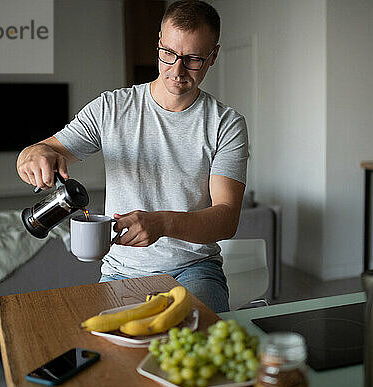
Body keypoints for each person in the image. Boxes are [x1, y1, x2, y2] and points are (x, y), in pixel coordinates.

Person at [16, 0, 248, 313]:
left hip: (194, 270)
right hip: (120, 271)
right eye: (169, 54)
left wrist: (163, 223)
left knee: (195, 347)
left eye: (193, 59)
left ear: (213, 56)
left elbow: (226, 218)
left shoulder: (226, 124)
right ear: (159, 45)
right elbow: (45, 150)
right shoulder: (112, 108)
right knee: (113, 354)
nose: (177, 70)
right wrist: (34, 155)